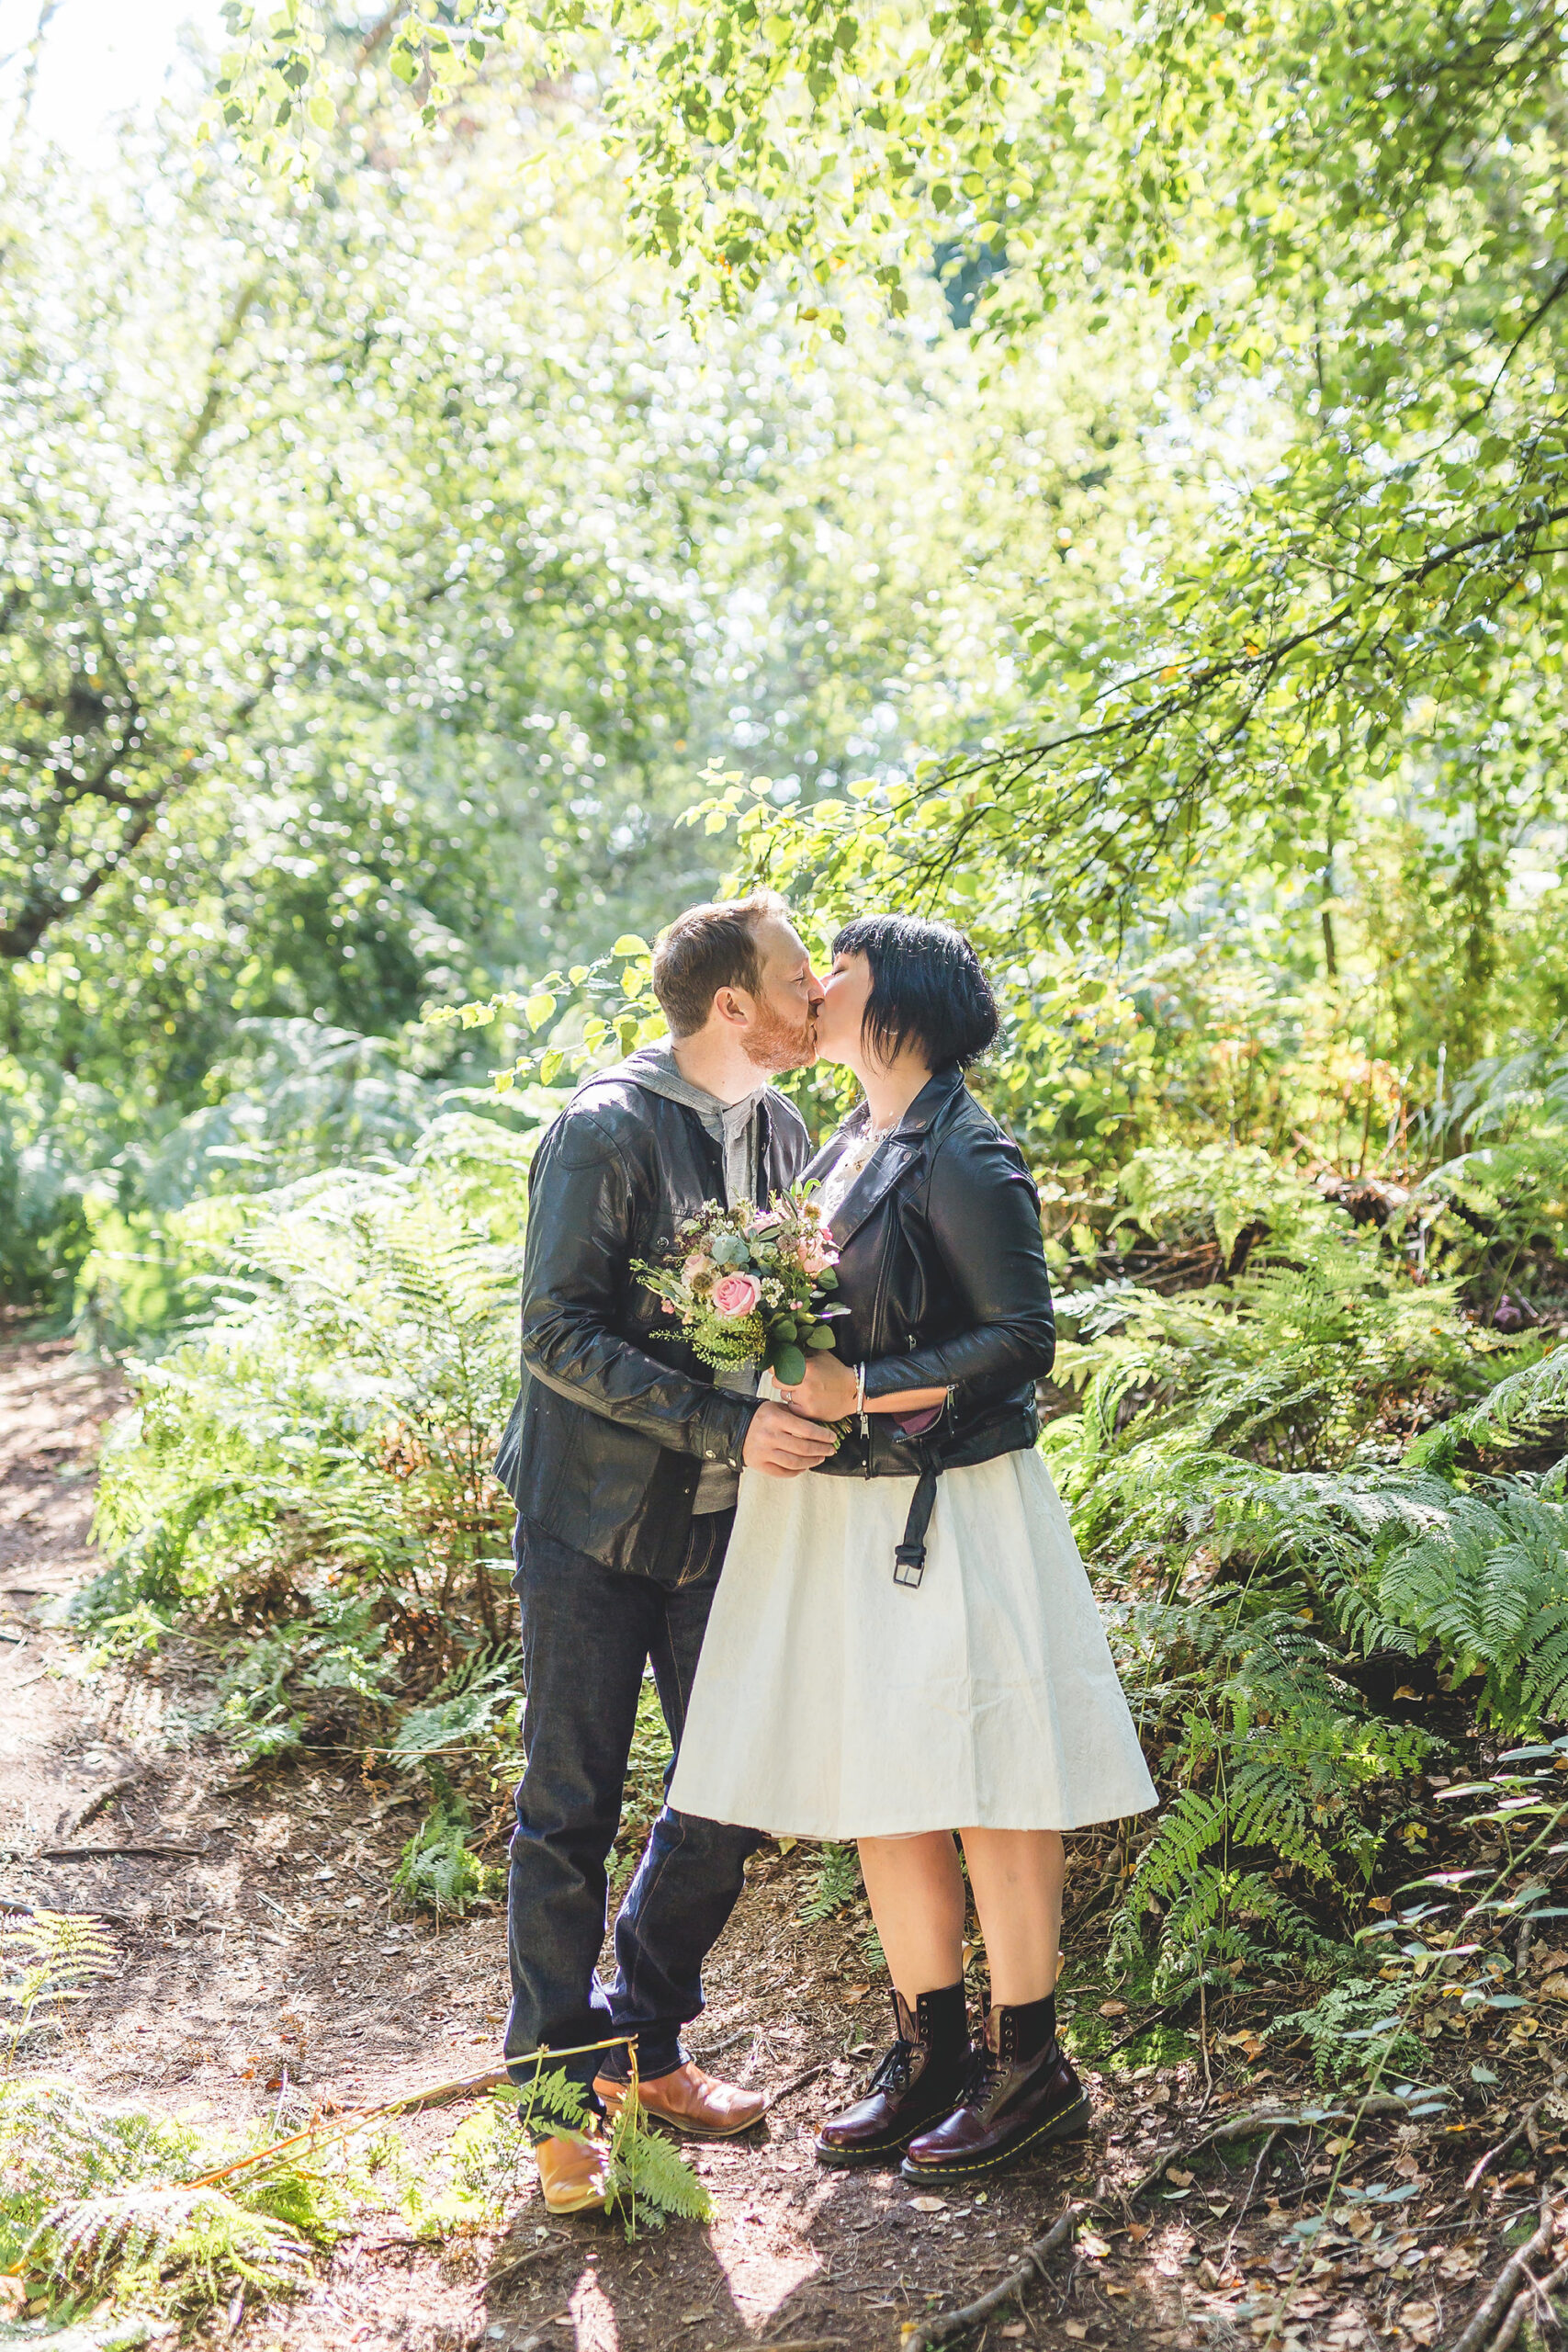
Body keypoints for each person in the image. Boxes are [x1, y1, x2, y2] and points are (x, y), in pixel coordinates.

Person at [670, 912, 1156, 2183]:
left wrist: (862, 1387)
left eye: (844, 969)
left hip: (956, 1505)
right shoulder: (848, 1138)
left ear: (905, 1005)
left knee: (993, 1780)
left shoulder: (965, 1148)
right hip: (854, 1509)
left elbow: (1023, 1340)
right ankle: (928, 2048)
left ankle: (1031, 2061)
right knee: (889, 1778)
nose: (819, 986)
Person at [494, 891, 837, 2214]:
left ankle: (640, 2035)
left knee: (735, 1784)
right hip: (591, 1522)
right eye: (801, 982)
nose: (821, 1001)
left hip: (730, 1523)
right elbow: (555, 1336)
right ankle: (552, 2096)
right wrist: (726, 1420)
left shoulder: (786, 1126)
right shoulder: (604, 1128)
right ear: (733, 1004)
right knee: (567, 1806)